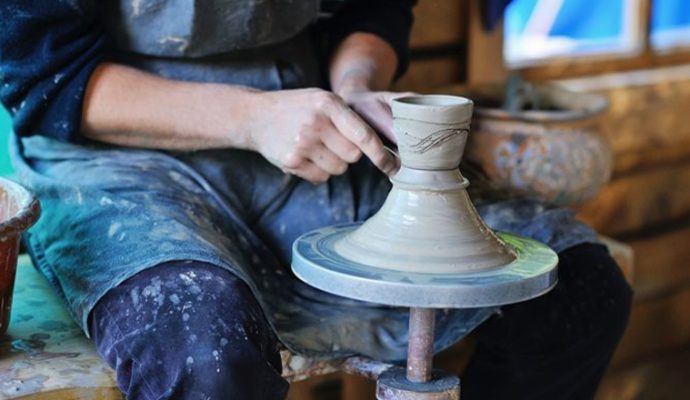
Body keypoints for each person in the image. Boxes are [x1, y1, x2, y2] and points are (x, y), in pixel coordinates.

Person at [0, 1, 632, 399]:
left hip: (309, 111)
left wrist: (355, 86)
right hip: (113, 151)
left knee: (576, 288)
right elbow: (45, 75)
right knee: (205, 348)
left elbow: (372, 10)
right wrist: (251, 120)